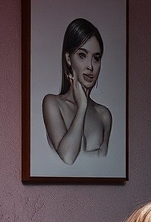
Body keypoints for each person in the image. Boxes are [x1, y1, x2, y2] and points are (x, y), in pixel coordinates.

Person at [42, 18, 112, 165]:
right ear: (68, 58)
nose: (90, 66)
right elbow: (68, 158)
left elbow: (104, 166)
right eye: (82, 55)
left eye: (96, 58)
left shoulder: (104, 115)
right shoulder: (52, 103)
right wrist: (82, 107)